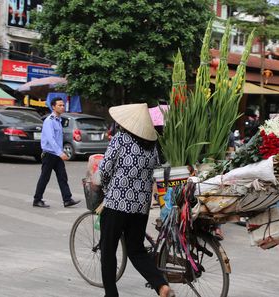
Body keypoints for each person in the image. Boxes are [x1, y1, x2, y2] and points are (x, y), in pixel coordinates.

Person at [98, 103, 175, 297]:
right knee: (137, 250)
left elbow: (105, 168)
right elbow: (156, 170)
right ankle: (161, 285)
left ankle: (111, 294)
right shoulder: (152, 146)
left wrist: (106, 187)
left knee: (108, 250)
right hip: (140, 207)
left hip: (116, 203)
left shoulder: (120, 139)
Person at [33, 98, 80, 208]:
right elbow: (51, 139)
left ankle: (67, 199)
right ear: (53, 107)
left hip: (57, 154)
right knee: (45, 177)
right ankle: (37, 199)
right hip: (49, 154)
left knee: (62, 177)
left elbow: (58, 139)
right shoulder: (49, 120)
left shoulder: (58, 120)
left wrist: (60, 151)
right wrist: (60, 153)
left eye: (63, 105)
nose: (62, 107)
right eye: (59, 105)